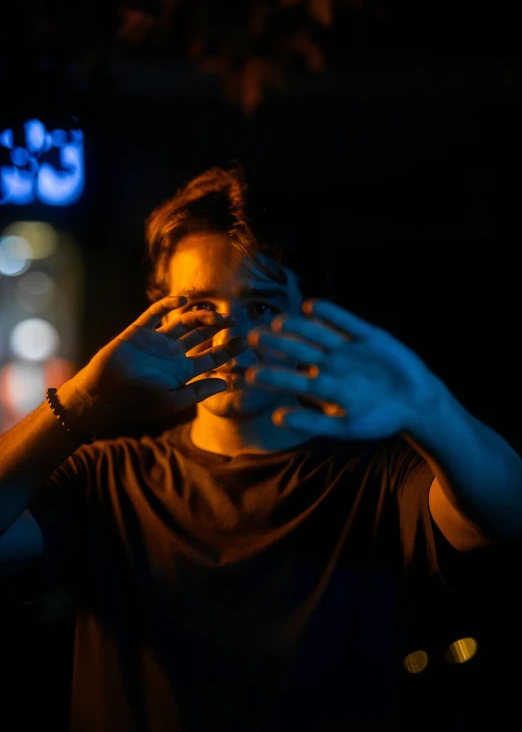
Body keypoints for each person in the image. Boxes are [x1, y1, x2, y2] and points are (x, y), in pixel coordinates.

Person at [0, 164, 521, 732]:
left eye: (262, 308)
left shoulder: (379, 479)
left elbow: (507, 512)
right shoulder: (106, 478)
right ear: (159, 316)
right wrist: (83, 400)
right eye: (200, 308)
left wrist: (428, 406)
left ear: (308, 316)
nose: (228, 337)